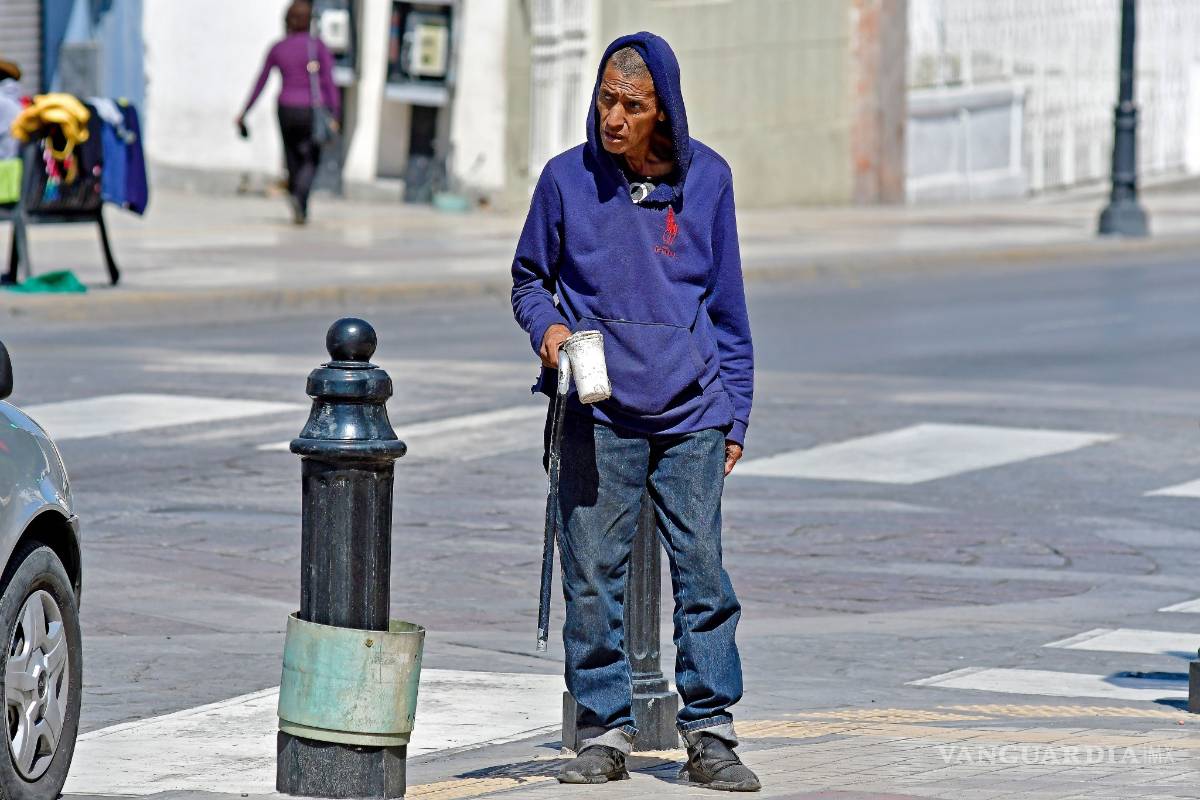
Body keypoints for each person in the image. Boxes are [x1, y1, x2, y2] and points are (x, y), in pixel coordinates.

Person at [511, 33, 759, 792]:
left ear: (664, 111)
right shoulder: (564, 181)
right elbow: (528, 280)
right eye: (606, 101)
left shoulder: (708, 181)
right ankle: (603, 731)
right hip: (599, 413)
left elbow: (728, 311)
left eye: (634, 105)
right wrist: (547, 329)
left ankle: (711, 733)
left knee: (704, 577)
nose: (615, 118)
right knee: (592, 579)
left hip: (692, 415)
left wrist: (736, 417)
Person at [237, 1, 339, 225]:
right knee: (311, 157)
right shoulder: (317, 47)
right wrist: (335, 114)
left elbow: (260, 82)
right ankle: (300, 195)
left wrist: (244, 111)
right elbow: (330, 84)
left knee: (291, 155)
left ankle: (295, 193)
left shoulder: (278, 48)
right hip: (310, 109)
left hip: (285, 108)